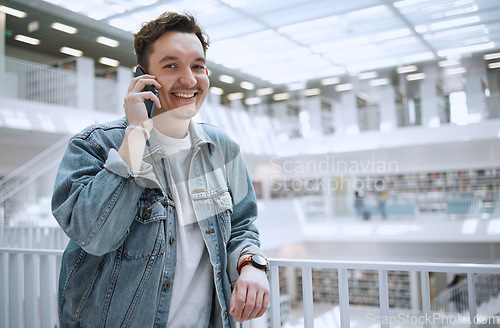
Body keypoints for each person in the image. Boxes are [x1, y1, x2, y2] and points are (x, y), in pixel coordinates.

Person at [52, 12, 269, 327]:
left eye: (197, 66)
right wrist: (136, 138)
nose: (190, 80)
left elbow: (242, 225)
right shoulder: (95, 145)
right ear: (142, 77)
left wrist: (251, 264)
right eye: (171, 66)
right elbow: (92, 235)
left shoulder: (221, 149)